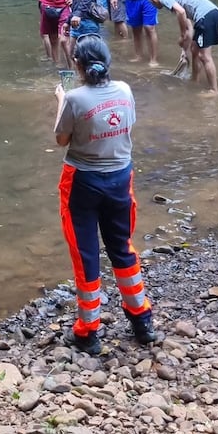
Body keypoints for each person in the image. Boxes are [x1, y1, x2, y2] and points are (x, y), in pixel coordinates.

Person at [54, 34, 155, 353]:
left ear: (77, 65)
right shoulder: (124, 90)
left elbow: (61, 139)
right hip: (120, 179)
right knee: (122, 248)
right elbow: (127, 127)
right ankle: (141, 321)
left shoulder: (74, 99)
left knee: (86, 256)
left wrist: (60, 100)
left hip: (82, 182)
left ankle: (88, 331)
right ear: (107, 63)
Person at [149, 0, 218, 95]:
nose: (153, 5)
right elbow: (189, 27)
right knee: (194, 49)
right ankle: (194, 79)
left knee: (204, 56)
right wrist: (184, 47)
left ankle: (214, 91)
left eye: (151, 3)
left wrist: (182, 34)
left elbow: (182, 12)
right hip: (210, 14)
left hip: (206, 16)